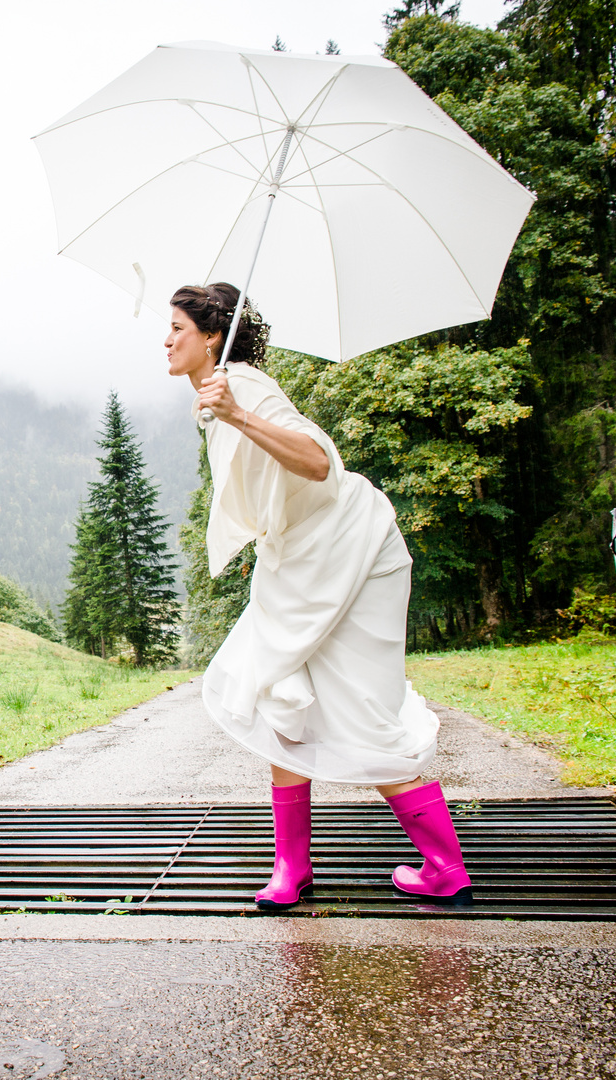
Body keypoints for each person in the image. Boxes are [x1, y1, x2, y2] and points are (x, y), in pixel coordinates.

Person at [168, 281, 473, 908]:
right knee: (283, 696)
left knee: (361, 705)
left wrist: (238, 415)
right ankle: (292, 868)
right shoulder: (217, 395)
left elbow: (315, 463)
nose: (166, 341)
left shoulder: (245, 388)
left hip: (354, 555)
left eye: (176, 328)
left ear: (211, 338)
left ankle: (444, 866)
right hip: (298, 563)